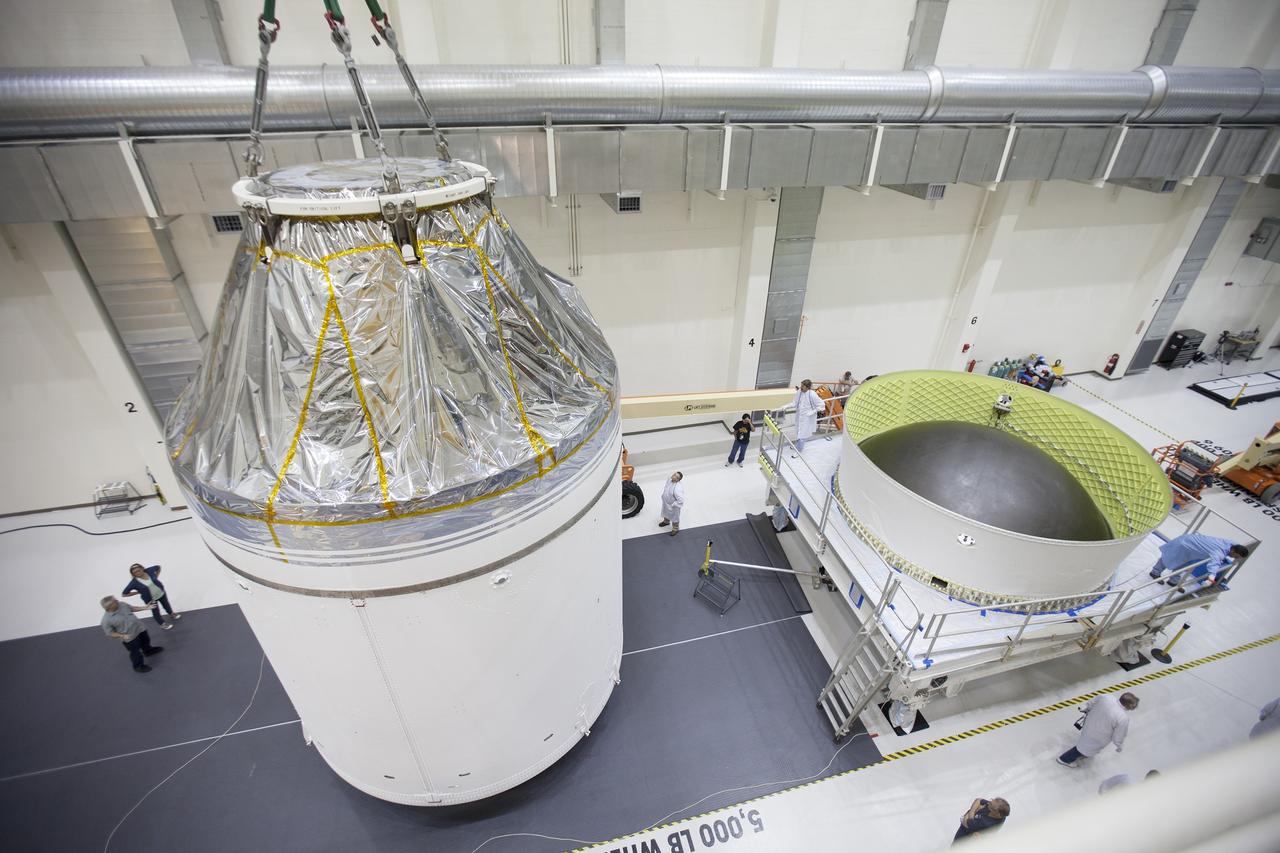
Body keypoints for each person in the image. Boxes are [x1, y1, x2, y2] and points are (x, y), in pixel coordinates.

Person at [1057, 692, 1139, 767]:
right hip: (1098, 737)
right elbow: (1118, 736)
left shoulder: (1106, 697)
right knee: (1083, 749)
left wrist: (1086, 709)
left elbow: (1091, 703)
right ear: (1129, 705)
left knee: (1085, 744)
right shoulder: (1123, 718)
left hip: (1089, 725)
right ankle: (1064, 759)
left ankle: (1081, 754)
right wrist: (1119, 746)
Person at [1148, 533, 1248, 589]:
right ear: (1233, 550)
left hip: (1191, 547)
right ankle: (1155, 572)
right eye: (1235, 556)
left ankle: (1173, 581)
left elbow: (1236, 546)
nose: (1234, 558)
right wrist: (1210, 579)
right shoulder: (1219, 552)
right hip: (1185, 544)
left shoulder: (1229, 543)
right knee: (1169, 558)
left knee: (1183, 564)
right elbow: (1214, 565)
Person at [100, 595, 164, 673]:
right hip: (130, 637)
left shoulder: (122, 604)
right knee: (135, 652)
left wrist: (146, 607)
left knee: (146, 641)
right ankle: (138, 666)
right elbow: (110, 633)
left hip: (139, 628)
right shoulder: (106, 620)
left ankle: (148, 651)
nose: (117, 601)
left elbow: (132, 608)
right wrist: (122, 636)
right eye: (115, 601)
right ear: (110, 607)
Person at [122, 562, 181, 630]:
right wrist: (137, 592)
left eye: (138, 570)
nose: (137, 573)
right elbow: (124, 594)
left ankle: (171, 614)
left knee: (166, 604)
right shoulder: (134, 582)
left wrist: (156, 577)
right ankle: (162, 624)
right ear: (133, 574)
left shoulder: (149, 571)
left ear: (142, 568)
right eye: (135, 572)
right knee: (155, 611)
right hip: (150, 599)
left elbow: (158, 567)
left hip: (160, 593)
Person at [792, 379, 825, 456]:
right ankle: (797, 446)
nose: (801, 387)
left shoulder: (812, 395)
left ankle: (798, 451)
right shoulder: (800, 392)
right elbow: (795, 402)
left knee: (802, 434)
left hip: (807, 418)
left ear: (808, 387)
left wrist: (812, 412)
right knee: (798, 431)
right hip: (800, 416)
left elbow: (822, 405)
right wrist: (786, 406)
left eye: (803, 386)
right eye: (801, 385)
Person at [658, 471, 684, 536]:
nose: (673, 476)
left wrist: (673, 505)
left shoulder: (677, 489)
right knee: (665, 512)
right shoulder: (670, 480)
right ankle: (666, 522)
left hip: (673, 506)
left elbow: (681, 500)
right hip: (666, 503)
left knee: (675, 517)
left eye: (676, 476)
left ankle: (675, 529)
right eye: (674, 474)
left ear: (678, 480)